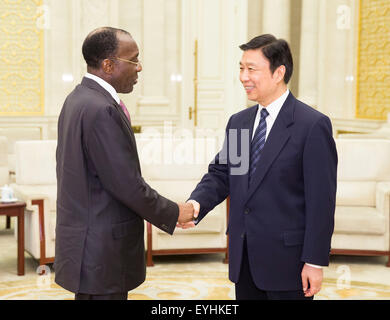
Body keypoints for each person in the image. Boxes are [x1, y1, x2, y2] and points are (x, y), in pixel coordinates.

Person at [179, 34, 337, 300]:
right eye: (241, 68)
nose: (243, 77)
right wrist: (195, 205)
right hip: (245, 260)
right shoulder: (240, 122)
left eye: (251, 69)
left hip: (289, 264)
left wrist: (314, 260)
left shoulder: (311, 125)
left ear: (279, 73)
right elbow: (223, 174)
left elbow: (321, 200)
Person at [55, 27, 195, 300]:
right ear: (108, 65)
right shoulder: (101, 109)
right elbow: (126, 185)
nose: (140, 68)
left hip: (87, 246)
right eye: (134, 60)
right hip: (102, 250)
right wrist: (173, 212)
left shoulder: (77, 100)